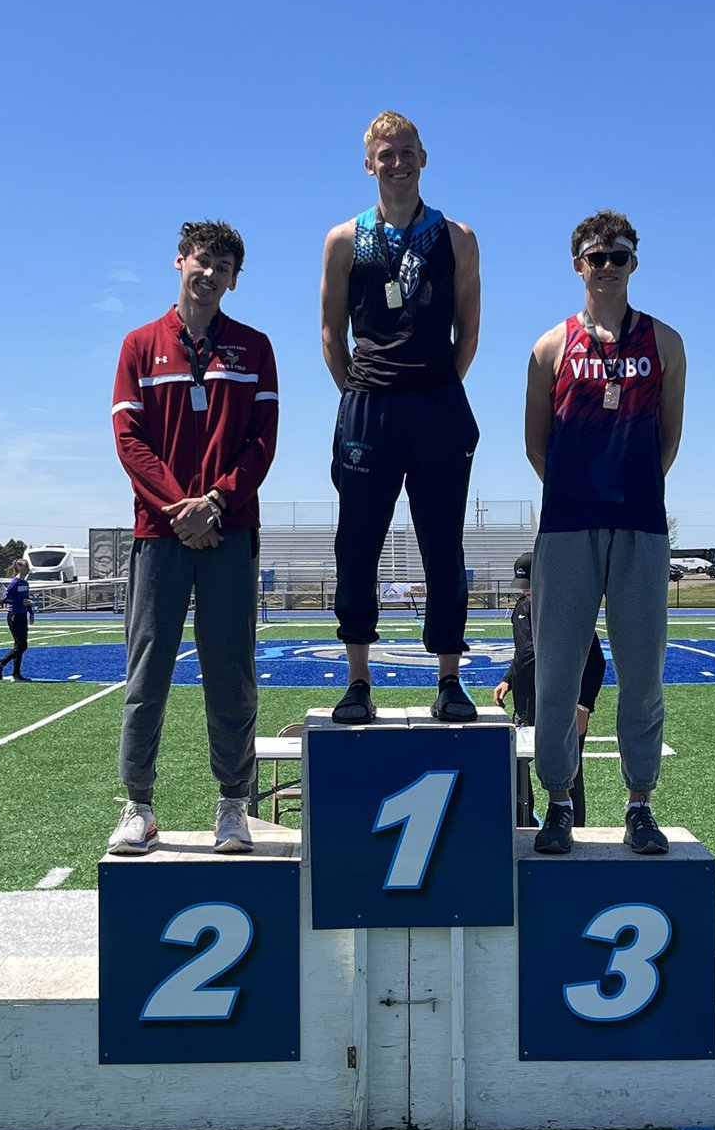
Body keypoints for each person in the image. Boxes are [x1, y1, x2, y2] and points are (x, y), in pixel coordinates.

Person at [108, 220, 279, 856]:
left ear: (235, 278)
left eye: (224, 265)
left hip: (229, 532)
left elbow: (262, 442)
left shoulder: (254, 348)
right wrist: (180, 507)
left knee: (229, 672)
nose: (210, 273)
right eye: (201, 261)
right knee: (147, 672)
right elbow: (130, 441)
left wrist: (215, 502)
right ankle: (139, 805)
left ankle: (234, 803)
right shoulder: (138, 344)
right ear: (179, 262)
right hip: (160, 533)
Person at [524, 210, 686, 856]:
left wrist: (629, 488)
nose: (608, 266)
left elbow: (667, 439)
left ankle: (639, 804)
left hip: (640, 524)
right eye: (597, 256)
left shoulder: (665, 342)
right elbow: (538, 444)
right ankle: (558, 802)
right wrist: (580, 490)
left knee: (642, 676)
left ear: (633, 264)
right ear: (578, 266)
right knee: (558, 678)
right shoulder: (551, 347)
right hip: (568, 526)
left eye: (619, 256)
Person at [321, 110, 481, 725]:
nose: (398, 162)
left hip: (438, 404)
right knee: (356, 545)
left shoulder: (457, 237)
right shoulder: (343, 239)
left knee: (443, 544)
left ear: (424, 156)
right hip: (368, 406)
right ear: (369, 164)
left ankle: (449, 680)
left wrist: (435, 387)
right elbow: (332, 333)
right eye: (386, 154)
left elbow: (467, 331)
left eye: (407, 151)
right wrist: (361, 391)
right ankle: (358, 680)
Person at [493, 550, 605, 826]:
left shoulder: (568, 610)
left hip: (566, 705)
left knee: (568, 772)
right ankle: (525, 824)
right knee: (516, 766)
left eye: (530, 585)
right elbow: (523, 653)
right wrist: (508, 679)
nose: (526, 592)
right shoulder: (520, 608)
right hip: (527, 701)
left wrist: (583, 706)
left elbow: (596, 662)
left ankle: (574, 829)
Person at [0, 558, 35, 682]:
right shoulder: (14, 582)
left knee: (19, 645)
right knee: (22, 646)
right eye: (26, 567)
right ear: (20, 567)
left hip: (22, 615)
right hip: (14, 615)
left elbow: (26, 599)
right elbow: (5, 599)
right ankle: (0, 663)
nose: (28, 569)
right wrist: (20, 602)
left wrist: (31, 613)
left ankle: (16, 674)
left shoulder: (25, 583)